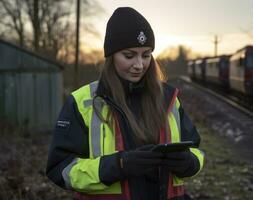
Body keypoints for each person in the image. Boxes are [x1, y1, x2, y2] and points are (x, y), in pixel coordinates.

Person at [46, 7, 204, 200]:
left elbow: (197, 151)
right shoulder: (81, 102)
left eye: (146, 55)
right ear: (111, 57)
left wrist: (188, 162)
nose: (139, 65)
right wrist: (118, 165)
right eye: (129, 56)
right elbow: (60, 169)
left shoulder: (169, 99)